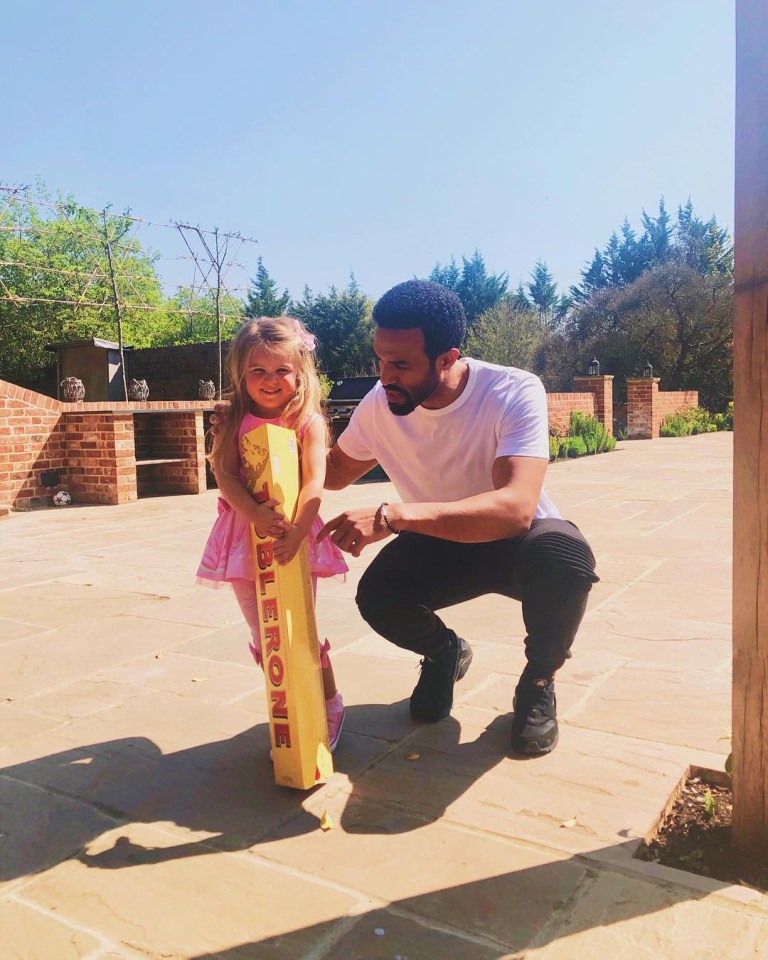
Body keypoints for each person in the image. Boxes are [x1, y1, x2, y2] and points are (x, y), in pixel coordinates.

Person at [317, 279, 598, 756]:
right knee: (379, 595)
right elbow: (333, 473)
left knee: (564, 556)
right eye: (380, 360)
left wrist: (392, 516)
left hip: (519, 544)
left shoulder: (511, 390)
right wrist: (258, 432)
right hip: (442, 543)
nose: (385, 376)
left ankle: (537, 682)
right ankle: (444, 653)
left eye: (401, 364)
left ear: (447, 358)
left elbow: (514, 508)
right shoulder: (378, 406)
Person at [198, 315, 347, 751]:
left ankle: (329, 705)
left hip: (294, 537)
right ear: (240, 374)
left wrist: (299, 531)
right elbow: (224, 474)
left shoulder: (307, 422)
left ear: (300, 372)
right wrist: (253, 514)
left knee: (300, 631)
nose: (269, 380)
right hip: (244, 538)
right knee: (268, 635)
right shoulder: (231, 418)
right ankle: (288, 706)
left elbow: (315, 481)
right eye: (257, 371)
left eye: (281, 370)